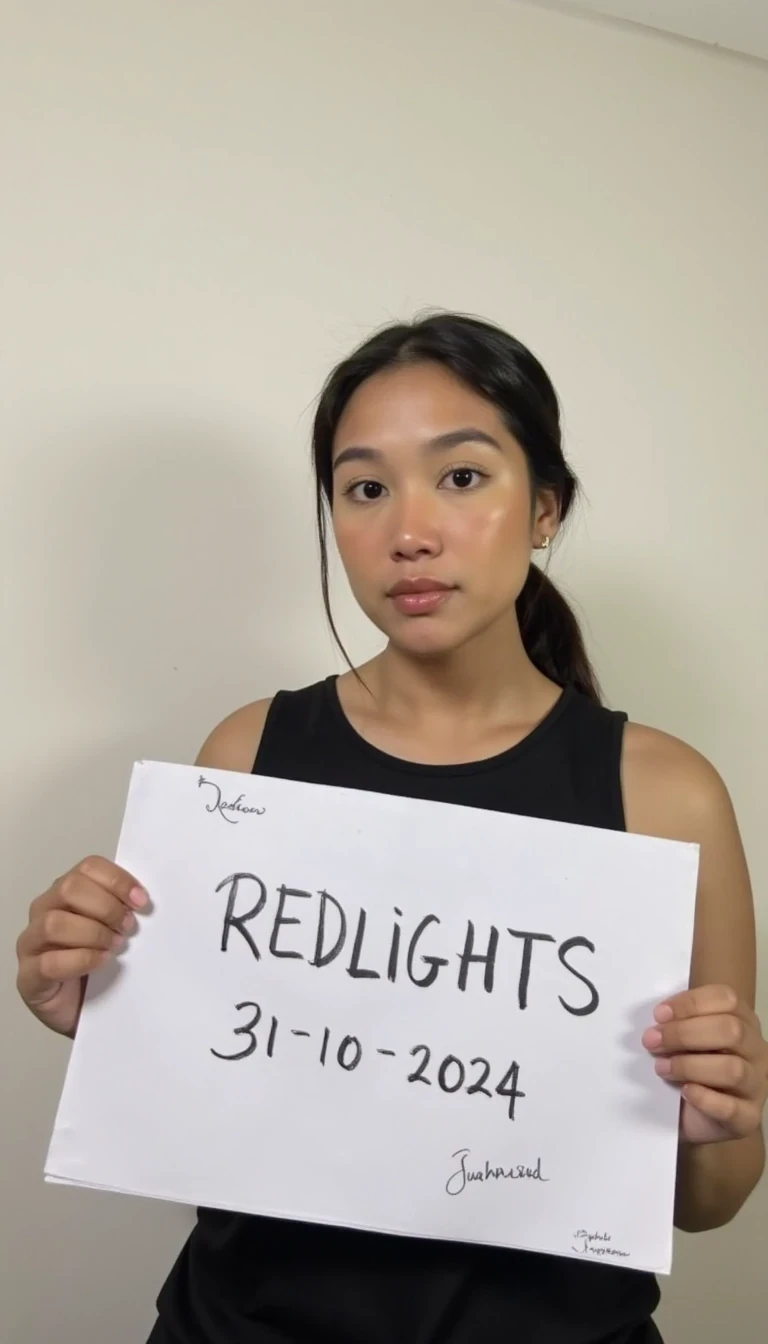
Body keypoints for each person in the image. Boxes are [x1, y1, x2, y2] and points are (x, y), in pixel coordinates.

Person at [15, 313, 766, 1344]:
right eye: (365, 488)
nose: (409, 530)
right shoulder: (246, 758)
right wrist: (99, 1012)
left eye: (462, 477)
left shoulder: (670, 796)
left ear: (545, 508)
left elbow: (707, 1197)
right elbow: (207, 1079)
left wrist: (715, 1116)